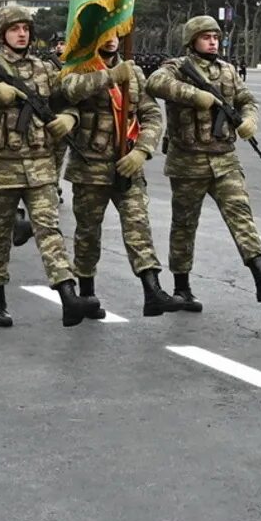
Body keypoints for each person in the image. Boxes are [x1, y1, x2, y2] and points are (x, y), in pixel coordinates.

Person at [0, 7, 97, 328]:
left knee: (49, 230)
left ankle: (68, 296)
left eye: (26, 28)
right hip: (0, 166)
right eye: (15, 29)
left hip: (40, 165)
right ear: (2, 34)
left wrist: (70, 117)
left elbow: (65, 96)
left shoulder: (43, 68)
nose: (22, 34)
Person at [146, 16, 261, 308]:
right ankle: (182, 287)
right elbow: (156, 83)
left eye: (216, 36)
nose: (213, 41)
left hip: (224, 157)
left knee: (240, 214)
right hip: (188, 160)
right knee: (184, 225)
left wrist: (250, 120)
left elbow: (247, 99)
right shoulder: (177, 67)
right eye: (206, 37)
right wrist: (196, 96)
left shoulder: (228, 70)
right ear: (192, 41)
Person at [62, 34, 187, 316]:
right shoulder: (78, 68)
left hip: (127, 165)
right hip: (89, 168)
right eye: (104, 34)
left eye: (115, 34)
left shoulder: (135, 72)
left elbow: (151, 115)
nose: (110, 40)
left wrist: (141, 151)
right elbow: (69, 93)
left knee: (138, 225)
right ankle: (87, 295)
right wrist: (109, 76)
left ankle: (152, 290)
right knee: (87, 234)